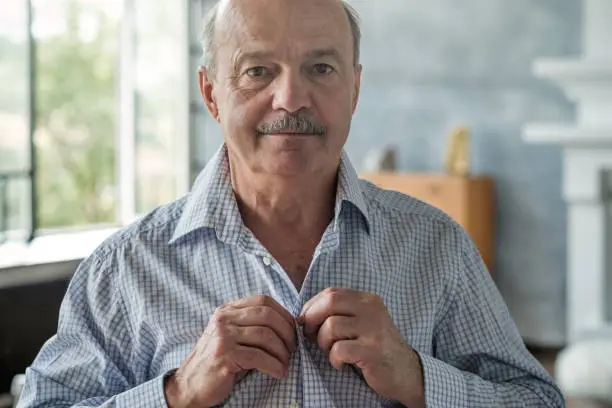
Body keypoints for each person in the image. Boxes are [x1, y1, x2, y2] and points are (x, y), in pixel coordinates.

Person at [18, 0, 564, 407]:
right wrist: (177, 392)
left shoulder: (435, 246)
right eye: (258, 70)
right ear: (211, 94)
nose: (291, 98)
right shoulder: (126, 268)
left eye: (320, 69)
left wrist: (417, 377)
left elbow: (538, 401)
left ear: (354, 89)